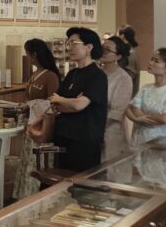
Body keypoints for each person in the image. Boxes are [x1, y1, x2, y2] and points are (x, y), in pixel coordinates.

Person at [49, 27, 108, 173]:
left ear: (89, 47)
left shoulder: (97, 75)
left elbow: (79, 105)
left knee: (80, 182)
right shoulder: (72, 73)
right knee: (61, 180)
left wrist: (63, 100)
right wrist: (66, 102)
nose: (69, 47)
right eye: (68, 43)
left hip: (84, 140)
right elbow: (55, 104)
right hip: (64, 136)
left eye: (74, 43)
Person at [12, 39, 61, 198]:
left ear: (34, 55)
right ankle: (25, 194)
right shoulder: (34, 74)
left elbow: (52, 103)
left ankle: (36, 194)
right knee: (28, 158)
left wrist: (31, 105)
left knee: (37, 160)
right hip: (31, 123)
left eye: (27, 54)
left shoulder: (50, 76)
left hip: (42, 125)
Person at [125, 48, 166, 147]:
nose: (150, 63)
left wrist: (142, 116)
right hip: (143, 140)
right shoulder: (146, 88)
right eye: (151, 59)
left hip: (165, 144)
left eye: (156, 61)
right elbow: (131, 108)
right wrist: (137, 118)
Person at [100, 36, 133, 159]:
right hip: (92, 129)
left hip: (111, 131)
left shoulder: (124, 78)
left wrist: (96, 127)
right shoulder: (96, 73)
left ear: (118, 56)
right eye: (102, 48)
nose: (103, 52)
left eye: (108, 50)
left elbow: (117, 113)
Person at [119, 25, 141, 93]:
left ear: (122, 36)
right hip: (134, 76)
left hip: (126, 76)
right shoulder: (135, 48)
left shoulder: (125, 49)